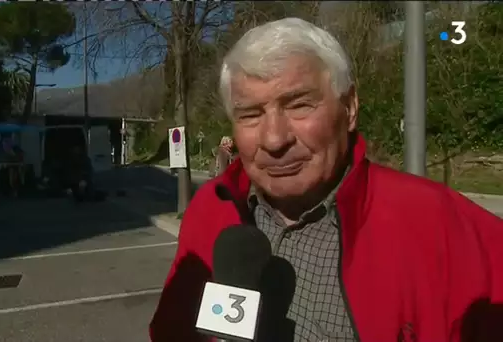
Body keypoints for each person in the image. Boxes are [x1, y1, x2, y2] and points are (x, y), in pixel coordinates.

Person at [149, 18, 503, 342]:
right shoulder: (211, 208)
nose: (274, 139)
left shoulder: (438, 221)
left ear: (349, 109)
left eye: (299, 105)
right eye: (251, 114)